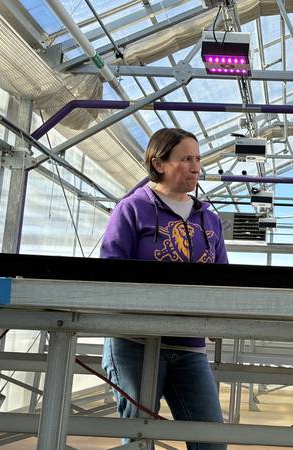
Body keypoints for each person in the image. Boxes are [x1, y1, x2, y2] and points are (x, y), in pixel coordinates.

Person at [100, 128, 227, 449]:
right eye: (186, 159)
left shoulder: (208, 219)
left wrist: (219, 315)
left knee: (211, 438)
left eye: (198, 159)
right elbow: (111, 268)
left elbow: (223, 277)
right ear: (159, 163)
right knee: (140, 437)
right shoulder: (132, 209)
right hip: (135, 340)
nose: (196, 166)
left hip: (189, 343)